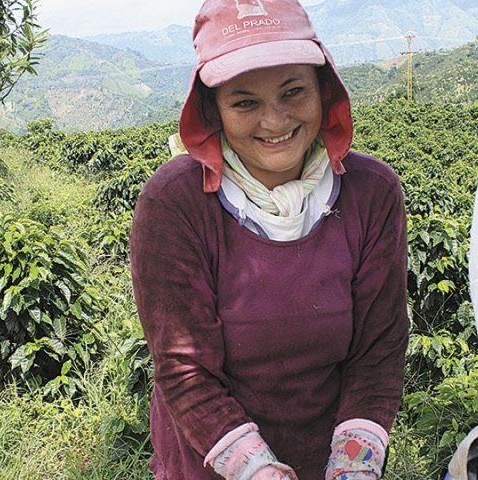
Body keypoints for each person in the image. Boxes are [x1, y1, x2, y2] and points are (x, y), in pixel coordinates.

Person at [129, 0, 409, 478]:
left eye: (293, 92)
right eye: (245, 102)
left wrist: (352, 467)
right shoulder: (174, 204)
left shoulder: (372, 193)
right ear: (213, 109)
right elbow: (185, 370)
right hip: (212, 460)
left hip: (326, 455)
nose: (275, 121)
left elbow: (377, 350)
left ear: (323, 91)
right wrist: (257, 470)